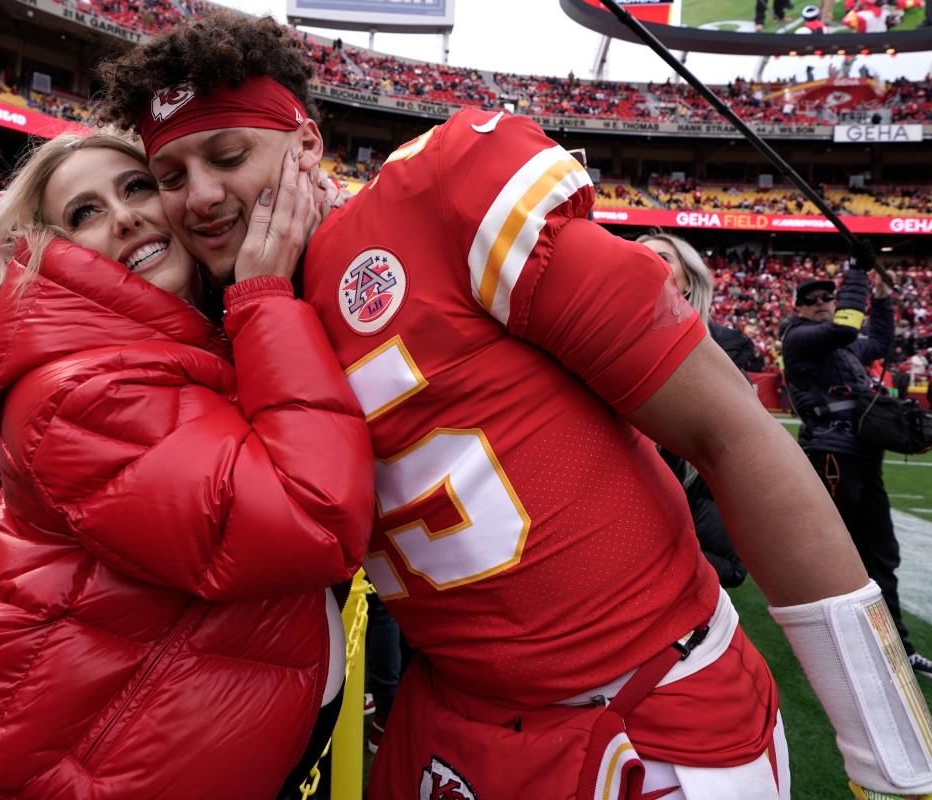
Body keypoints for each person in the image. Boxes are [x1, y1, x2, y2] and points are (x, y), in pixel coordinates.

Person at [98, 12, 932, 799]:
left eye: (230, 155)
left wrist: (889, 752)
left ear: (307, 142)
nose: (199, 195)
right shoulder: (232, 324)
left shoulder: (435, 201)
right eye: (171, 176)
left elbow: (728, 429)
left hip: (638, 711)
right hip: (447, 715)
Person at [0, 131, 374, 799]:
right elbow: (308, 516)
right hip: (107, 764)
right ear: (52, 252)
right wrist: (263, 294)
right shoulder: (79, 391)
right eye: (85, 212)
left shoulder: (179, 340)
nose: (125, 215)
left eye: (137, 187)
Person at [782, 271, 932, 676]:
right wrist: (857, 274)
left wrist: (881, 298)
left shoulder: (843, 349)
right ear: (798, 308)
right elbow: (847, 329)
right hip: (831, 456)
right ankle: (823, 648)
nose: (820, 303)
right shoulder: (798, 337)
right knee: (831, 557)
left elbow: (879, 341)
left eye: (826, 297)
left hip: (864, 457)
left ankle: (897, 648)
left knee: (882, 554)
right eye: (811, 299)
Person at [638, 232, 750, 588]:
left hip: (692, 486)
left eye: (662, 257)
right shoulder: (601, 339)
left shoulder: (726, 345)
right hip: (632, 487)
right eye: (637, 256)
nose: (646, 262)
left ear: (688, 282)